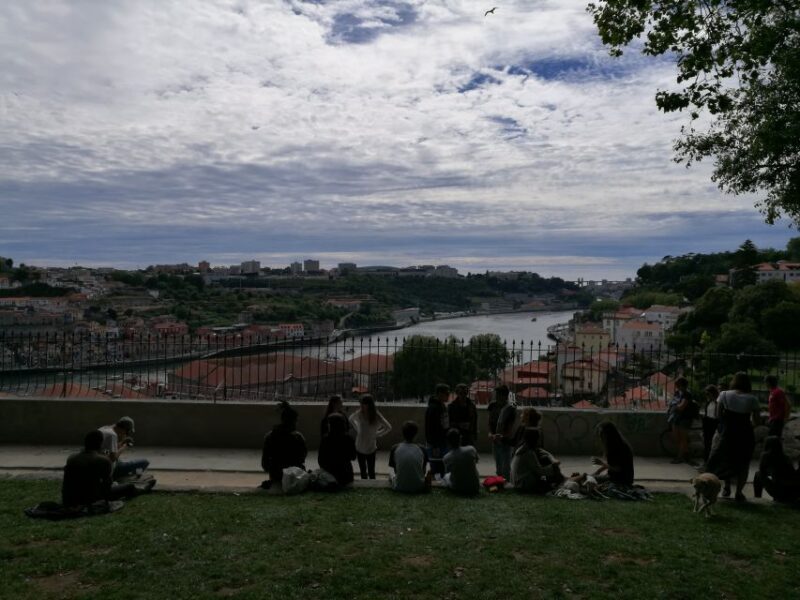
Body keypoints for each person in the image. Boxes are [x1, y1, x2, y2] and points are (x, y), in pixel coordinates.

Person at [704, 372, 761, 501]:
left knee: (726, 459)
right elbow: (757, 421)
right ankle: (739, 492)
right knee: (743, 463)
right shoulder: (752, 399)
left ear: (733, 382)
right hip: (745, 434)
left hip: (728, 433)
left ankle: (726, 487)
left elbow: (718, 415)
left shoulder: (724, 394)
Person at [62, 430, 155, 507]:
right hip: (91, 498)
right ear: (100, 444)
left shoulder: (71, 457)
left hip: (70, 498)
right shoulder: (103, 460)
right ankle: (143, 489)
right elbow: (107, 488)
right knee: (129, 487)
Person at [261, 401, 307, 490]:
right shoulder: (298, 437)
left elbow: (265, 463)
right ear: (293, 421)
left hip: (276, 474)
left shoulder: (270, 436)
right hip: (293, 475)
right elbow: (302, 457)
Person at [349, 395, 392, 479]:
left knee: (371, 470)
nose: (361, 406)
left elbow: (388, 427)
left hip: (371, 447)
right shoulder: (359, 413)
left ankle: (372, 485)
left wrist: (377, 434)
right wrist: (358, 429)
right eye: (360, 404)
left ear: (369, 404)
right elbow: (351, 419)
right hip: (359, 447)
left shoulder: (376, 415)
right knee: (363, 470)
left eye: (363, 404)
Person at [511, 427, 564, 493]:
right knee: (548, 469)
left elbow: (545, 452)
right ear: (535, 439)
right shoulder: (528, 453)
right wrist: (553, 466)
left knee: (545, 459)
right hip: (522, 484)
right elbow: (540, 471)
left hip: (518, 482)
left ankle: (560, 481)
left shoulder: (523, 447)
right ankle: (561, 482)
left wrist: (553, 460)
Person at [98, 416, 149, 481]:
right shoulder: (112, 435)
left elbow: (110, 448)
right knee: (144, 462)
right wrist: (125, 446)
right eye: (127, 432)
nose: (126, 434)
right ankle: (127, 478)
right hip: (108, 470)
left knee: (122, 461)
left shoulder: (105, 428)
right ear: (124, 429)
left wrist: (122, 442)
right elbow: (113, 458)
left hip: (99, 466)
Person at [753, 436, 800, 503]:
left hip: (780, 493)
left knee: (758, 474)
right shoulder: (786, 458)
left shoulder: (766, 456)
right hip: (793, 492)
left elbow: (762, 471)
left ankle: (757, 497)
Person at [388, 421, 429, 493]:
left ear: (403, 434)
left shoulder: (395, 448)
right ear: (416, 434)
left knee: (390, 473)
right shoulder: (422, 449)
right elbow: (423, 470)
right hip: (419, 486)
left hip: (399, 486)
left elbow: (395, 470)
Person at [317, 413, 357, 488]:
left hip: (330, 474)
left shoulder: (326, 439)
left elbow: (320, 460)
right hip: (346, 475)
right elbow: (353, 457)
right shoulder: (348, 439)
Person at [487, 384, 517, 479]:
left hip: (506, 440)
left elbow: (510, 426)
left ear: (504, 396)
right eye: (496, 394)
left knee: (506, 466)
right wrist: (491, 434)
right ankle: (499, 481)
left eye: (499, 395)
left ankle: (506, 483)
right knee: (498, 465)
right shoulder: (492, 406)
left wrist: (502, 436)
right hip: (495, 439)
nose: (496, 397)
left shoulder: (510, 409)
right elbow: (490, 422)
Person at [591, 422, 634, 486]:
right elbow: (612, 465)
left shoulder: (619, 448)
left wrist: (602, 463)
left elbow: (618, 468)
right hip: (619, 478)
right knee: (591, 477)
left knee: (589, 478)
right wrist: (598, 471)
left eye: (601, 434)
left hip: (621, 480)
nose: (600, 437)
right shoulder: (616, 445)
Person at [667, 377, 697, 465]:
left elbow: (681, 407)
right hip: (676, 417)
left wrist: (674, 406)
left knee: (683, 439)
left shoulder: (687, 394)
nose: (676, 386)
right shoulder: (677, 393)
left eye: (677, 384)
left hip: (685, 418)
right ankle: (687, 455)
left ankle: (679, 457)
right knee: (677, 438)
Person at [442, 428, 480, 496]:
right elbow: (477, 461)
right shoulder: (471, 449)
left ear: (447, 442)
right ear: (460, 438)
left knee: (445, 476)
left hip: (457, 488)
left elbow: (447, 471)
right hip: (475, 486)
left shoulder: (446, 458)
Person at [425, 384, 450, 477]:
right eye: (446, 393)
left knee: (441, 465)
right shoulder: (434, 408)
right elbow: (431, 428)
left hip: (441, 442)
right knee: (437, 466)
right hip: (436, 443)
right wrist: (435, 445)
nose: (448, 395)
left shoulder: (441, 406)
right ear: (440, 394)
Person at [701, 384, 720, 463]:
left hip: (714, 423)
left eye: (708, 394)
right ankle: (706, 461)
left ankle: (711, 462)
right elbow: (706, 413)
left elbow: (718, 415)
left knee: (713, 444)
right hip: (707, 423)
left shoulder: (718, 402)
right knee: (706, 443)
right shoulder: (708, 403)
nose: (707, 396)